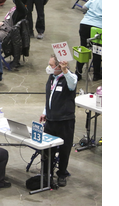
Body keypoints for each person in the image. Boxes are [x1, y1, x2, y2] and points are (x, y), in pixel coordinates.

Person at [39, 55, 77, 187]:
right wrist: (45, 112)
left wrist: (65, 70)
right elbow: (50, 97)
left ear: (60, 66)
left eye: (51, 65)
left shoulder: (70, 78)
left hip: (65, 121)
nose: (49, 67)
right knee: (47, 148)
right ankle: (46, 173)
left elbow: (72, 84)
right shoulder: (52, 77)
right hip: (51, 120)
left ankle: (62, 174)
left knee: (64, 150)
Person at [77, 0, 101, 81]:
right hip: (99, 28)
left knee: (83, 49)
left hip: (85, 24)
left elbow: (84, 8)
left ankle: (78, 73)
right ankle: (96, 74)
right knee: (97, 51)